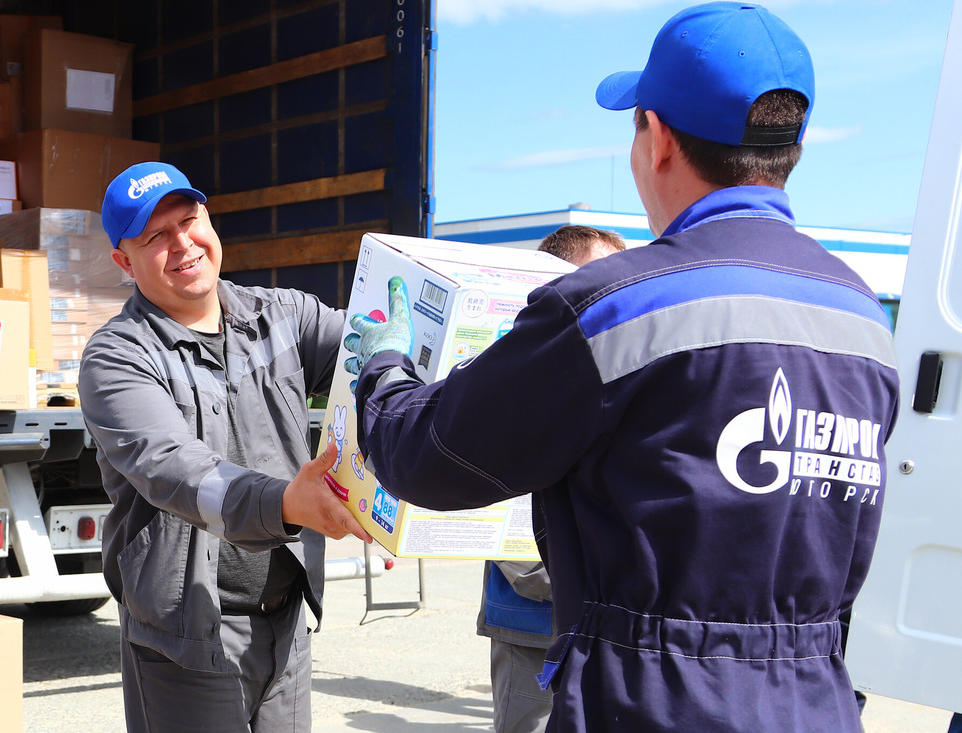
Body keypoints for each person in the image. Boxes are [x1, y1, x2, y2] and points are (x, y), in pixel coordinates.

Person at [345, 3, 900, 731]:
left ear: (659, 138)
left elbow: (430, 458)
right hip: (815, 698)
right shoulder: (863, 318)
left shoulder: (612, 309)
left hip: (653, 699)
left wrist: (384, 365)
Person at [78, 161, 372, 733]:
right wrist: (288, 503)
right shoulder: (117, 357)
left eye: (189, 221)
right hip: (187, 642)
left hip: (286, 623)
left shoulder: (282, 316)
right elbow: (175, 471)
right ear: (124, 260)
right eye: (155, 237)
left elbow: (372, 357)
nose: (182, 244)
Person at [480, 225, 626, 733]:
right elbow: (496, 518)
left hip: (607, 630)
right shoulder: (510, 373)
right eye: (601, 277)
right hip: (533, 627)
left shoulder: (619, 373)